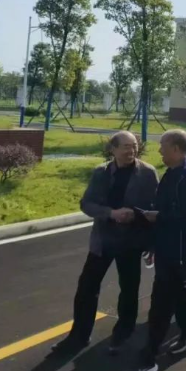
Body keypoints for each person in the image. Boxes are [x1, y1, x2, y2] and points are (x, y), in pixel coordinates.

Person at [50, 131, 159, 356]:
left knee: (129, 289)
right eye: (126, 146)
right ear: (113, 149)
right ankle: (79, 336)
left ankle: (123, 333)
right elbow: (86, 204)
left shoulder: (147, 173)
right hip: (103, 241)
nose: (131, 150)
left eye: (134, 146)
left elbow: (156, 208)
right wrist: (111, 213)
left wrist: (151, 242)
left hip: (131, 241)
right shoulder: (101, 172)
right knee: (87, 288)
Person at [118, 130, 186, 371]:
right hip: (168, 247)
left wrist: (157, 217)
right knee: (178, 293)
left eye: (163, 146)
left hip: (180, 252)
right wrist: (153, 239)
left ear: (177, 149)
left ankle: (147, 360)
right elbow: (166, 210)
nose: (159, 150)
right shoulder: (172, 174)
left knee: (160, 305)